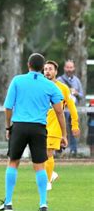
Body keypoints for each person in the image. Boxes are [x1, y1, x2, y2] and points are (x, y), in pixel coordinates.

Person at [0, 53, 67, 211]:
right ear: (43, 68)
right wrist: (64, 134)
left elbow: (8, 107)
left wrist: (8, 127)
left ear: (28, 64)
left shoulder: (17, 80)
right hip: (39, 128)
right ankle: (43, 203)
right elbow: (59, 111)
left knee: (13, 162)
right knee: (40, 166)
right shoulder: (51, 86)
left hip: (20, 126)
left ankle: (8, 202)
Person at [43, 60, 79, 190]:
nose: (47, 71)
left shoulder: (63, 88)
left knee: (48, 153)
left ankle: (47, 182)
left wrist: (75, 125)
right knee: (39, 156)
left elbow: (72, 107)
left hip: (55, 126)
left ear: (56, 72)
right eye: (45, 69)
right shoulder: (39, 86)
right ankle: (51, 173)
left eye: (50, 69)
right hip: (39, 125)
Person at [57, 60, 84, 155]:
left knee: (73, 129)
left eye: (71, 67)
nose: (69, 69)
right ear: (64, 68)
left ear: (74, 68)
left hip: (72, 109)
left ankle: (73, 150)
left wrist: (76, 93)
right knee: (60, 129)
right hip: (62, 109)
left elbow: (81, 95)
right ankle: (58, 150)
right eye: (67, 67)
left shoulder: (77, 81)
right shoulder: (59, 80)